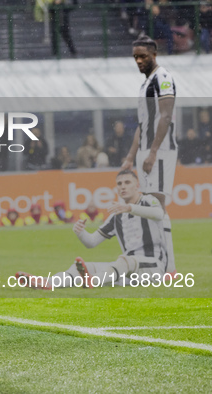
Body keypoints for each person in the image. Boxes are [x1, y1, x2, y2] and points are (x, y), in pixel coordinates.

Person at [16, 170, 167, 290]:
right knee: (85, 267)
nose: (123, 186)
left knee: (124, 261)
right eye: (119, 183)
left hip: (153, 268)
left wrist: (130, 207)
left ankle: (93, 281)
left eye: (127, 182)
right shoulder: (117, 216)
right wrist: (81, 232)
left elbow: (159, 214)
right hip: (128, 272)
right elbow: (91, 242)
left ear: (137, 186)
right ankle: (49, 282)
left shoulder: (148, 201)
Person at [121, 35, 178, 276]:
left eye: (143, 56)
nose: (139, 61)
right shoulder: (145, 84)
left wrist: (153, 152)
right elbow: (142, 124)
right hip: (147, 150)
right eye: (135, 57)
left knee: (157, 206)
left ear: (154, 55)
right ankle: (160, 264)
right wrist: (131, 156)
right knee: (150, 206)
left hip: (161, 150)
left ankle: (170, 268)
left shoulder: (162, 78)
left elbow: (165, 116)